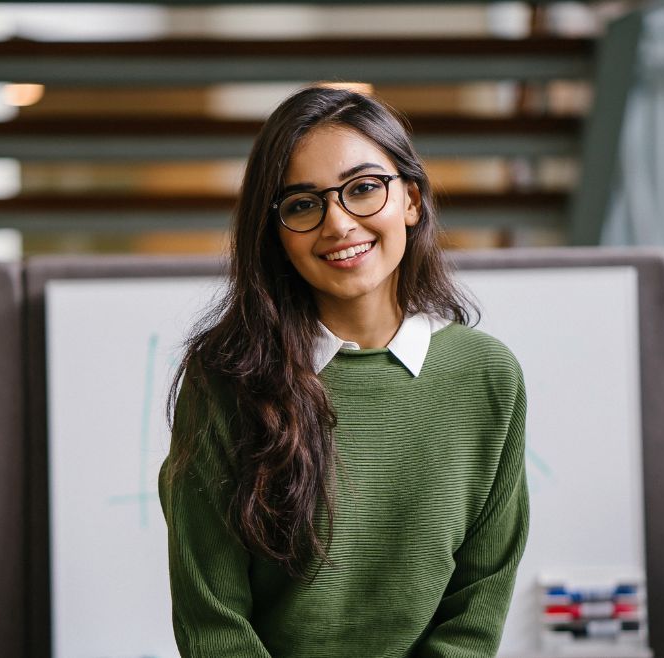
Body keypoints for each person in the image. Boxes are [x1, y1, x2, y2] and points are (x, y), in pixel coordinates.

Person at [160, 86, 529, 657]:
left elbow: (473, 618)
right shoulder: (226, 379)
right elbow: (214, 624)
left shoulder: (488, 377)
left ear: (410, 199)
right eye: (303, 204)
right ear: (277, 233)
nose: (338, 223)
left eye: (362, 189)